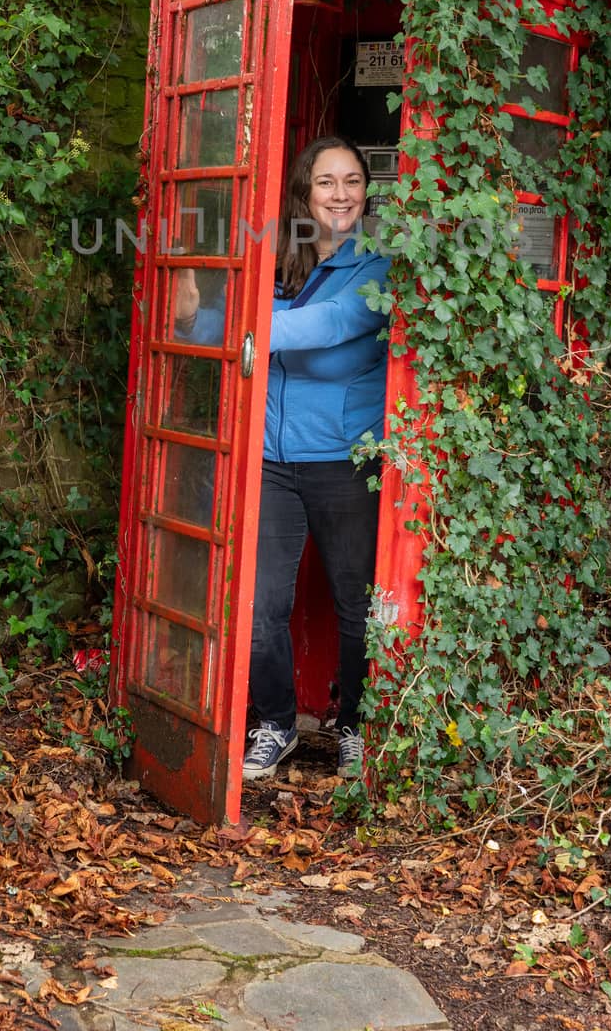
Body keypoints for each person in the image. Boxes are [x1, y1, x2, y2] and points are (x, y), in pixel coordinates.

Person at [174, 136, 390, 781]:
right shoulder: (276, 263)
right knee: (260, 603)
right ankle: (275, 722)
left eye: (353, 181)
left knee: (356, 606)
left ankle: (353, 724)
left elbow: (329, 330)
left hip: (346, 462)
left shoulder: (376, 268)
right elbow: (210, 328)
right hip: (270, 461)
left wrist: (239, 315)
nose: (342, 194)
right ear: (304, 192)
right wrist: (190, 313)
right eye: (327, 182)